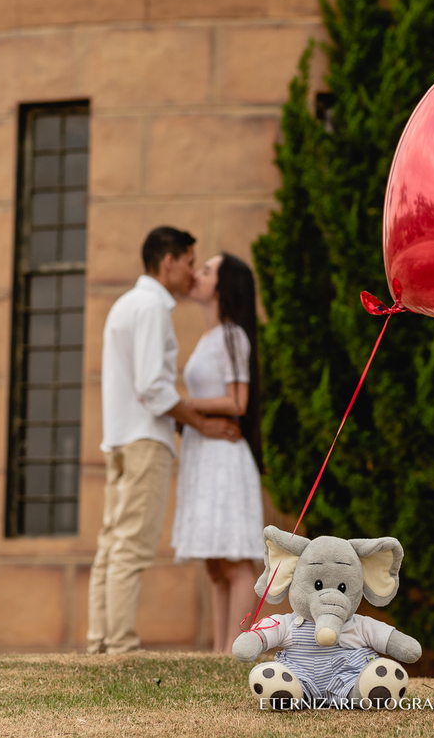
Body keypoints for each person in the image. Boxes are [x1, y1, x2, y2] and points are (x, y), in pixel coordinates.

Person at [87, 227, 241, 655]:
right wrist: (201, 424)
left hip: (120, 439)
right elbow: (154, 387)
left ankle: (100, 641)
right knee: (131, 546)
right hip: (144, 441)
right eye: (190, 262)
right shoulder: (153, 307)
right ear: (168, 261)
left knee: (112, 543)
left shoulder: (126, 304)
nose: (192, 272)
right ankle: (121, 644)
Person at [172, 252, 266, 654]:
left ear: (224, 286)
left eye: (206, 270)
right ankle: (218, 652)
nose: (196, 274)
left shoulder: (232, 336)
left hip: (224, 457)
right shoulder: (210, 336)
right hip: (204, 455)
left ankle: (234, 652)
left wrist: (182, 405)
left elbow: (237, 402)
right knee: (214, 564)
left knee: (234, 561)